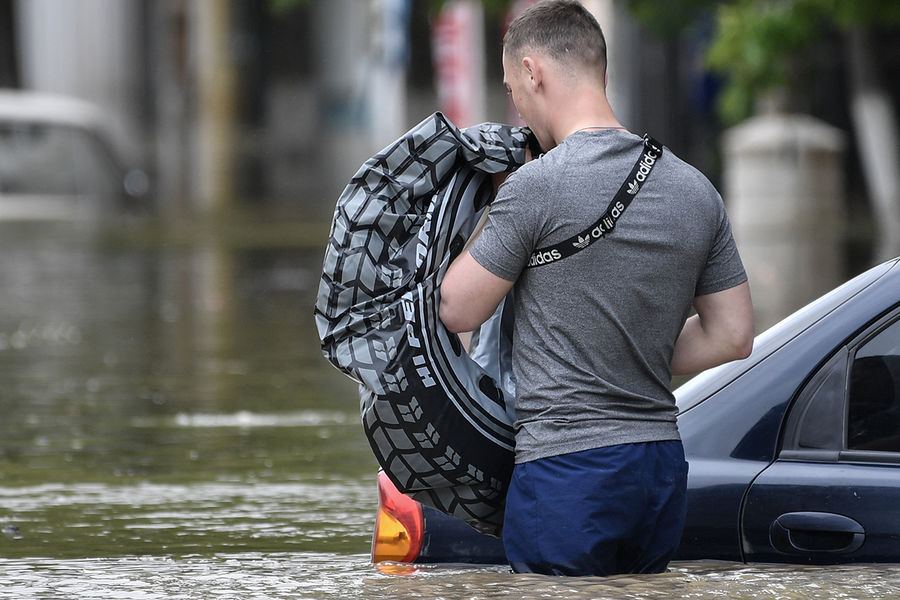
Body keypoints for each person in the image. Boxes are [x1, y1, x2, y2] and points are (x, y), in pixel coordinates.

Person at [438, 0, 754, 577]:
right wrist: (631, 350)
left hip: (566, 470)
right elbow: (732, 336)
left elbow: (457, 308)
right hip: (659, 470)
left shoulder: (535, 186)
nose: (518, 108)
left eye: (512, 90)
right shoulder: (695, 189)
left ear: (532, 71)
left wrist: (491, 204)